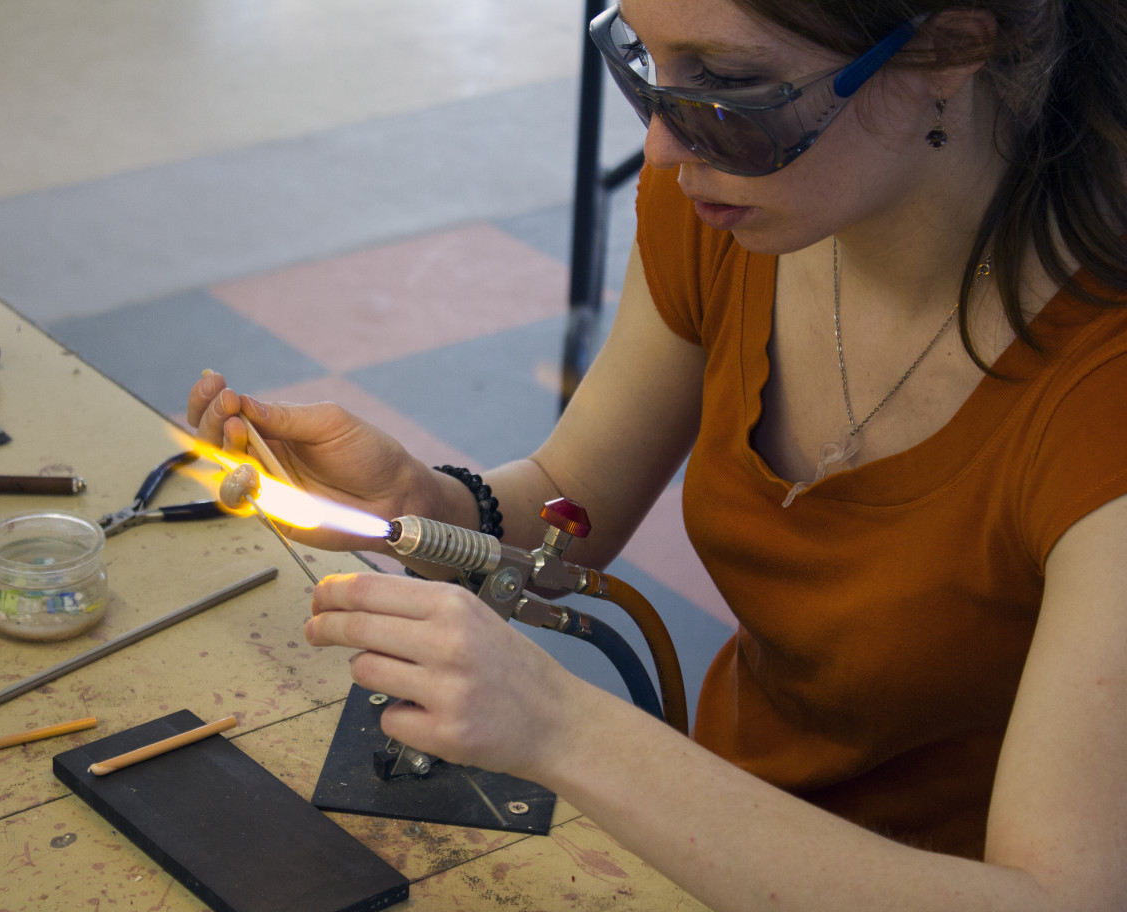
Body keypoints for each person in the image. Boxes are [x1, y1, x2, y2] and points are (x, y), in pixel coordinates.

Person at [189, 0, 1127, 908]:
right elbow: (569, 502)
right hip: (692, 830)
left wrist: (561, 728)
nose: (666, 148)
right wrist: (422, 505)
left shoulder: (1099, 398)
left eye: (725, 85)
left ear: (949, 49)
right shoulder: (739, 205)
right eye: (646, 68)